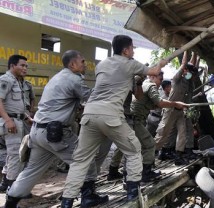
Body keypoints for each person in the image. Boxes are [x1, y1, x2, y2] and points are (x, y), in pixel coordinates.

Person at [61, 35, 168, 207]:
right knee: (134, 150)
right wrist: (162, 63)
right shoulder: (130, 63)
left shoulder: (102, 64)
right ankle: (133, 194)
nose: (133, 51)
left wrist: (137, 81)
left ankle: (67, 201)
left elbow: (133, 91)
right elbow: (155, 72)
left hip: (89, 114)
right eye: (132, 48)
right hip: (110, 115)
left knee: (80, 160)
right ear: (125, 50)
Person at [4, 50, 109, 208]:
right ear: (72, 64)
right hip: (56, 133)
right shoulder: (74, 79)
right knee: (86, 160)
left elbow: (64, 102)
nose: (85, 64)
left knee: (31, 170)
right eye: (82, 61)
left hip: (38, 132)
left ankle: (10, 202)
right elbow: (93, 98)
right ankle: (88, 196)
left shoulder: (58, 77)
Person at [131, 72, 187, 181]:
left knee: (133, 147)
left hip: (135, 119)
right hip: (136, 119)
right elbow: (159, 103)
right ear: (152, 77)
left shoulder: (144, 84)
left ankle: (119, 170)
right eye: (160, 79)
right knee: (150, 144)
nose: (160, 82)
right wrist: (175, 104)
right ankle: (145, 173)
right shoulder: (151, 86)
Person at [154, 51, 199, 166]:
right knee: (163, 133)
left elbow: (192, 68)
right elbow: (184, 64)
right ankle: (151, 154)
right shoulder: (177, 79)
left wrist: (195, 53)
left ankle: (178, 156)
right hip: (170, 110)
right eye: (189, 72)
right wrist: (186, 49)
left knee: (182, 134)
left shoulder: (187, 79)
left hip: (180, 112)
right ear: (184, 71)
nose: (191, 75)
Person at [0, 55, 28, 192]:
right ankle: (12, 189)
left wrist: (26, 116)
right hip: (11, 122)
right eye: (22, 65)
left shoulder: (17, 81)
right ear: (12, 66)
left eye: (26, 66)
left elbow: (16, 105)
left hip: (18, 120)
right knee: (15, 155)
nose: (25, 68)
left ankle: (5, 183)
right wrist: (8, 120)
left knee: (12, 154)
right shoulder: (6, 79)